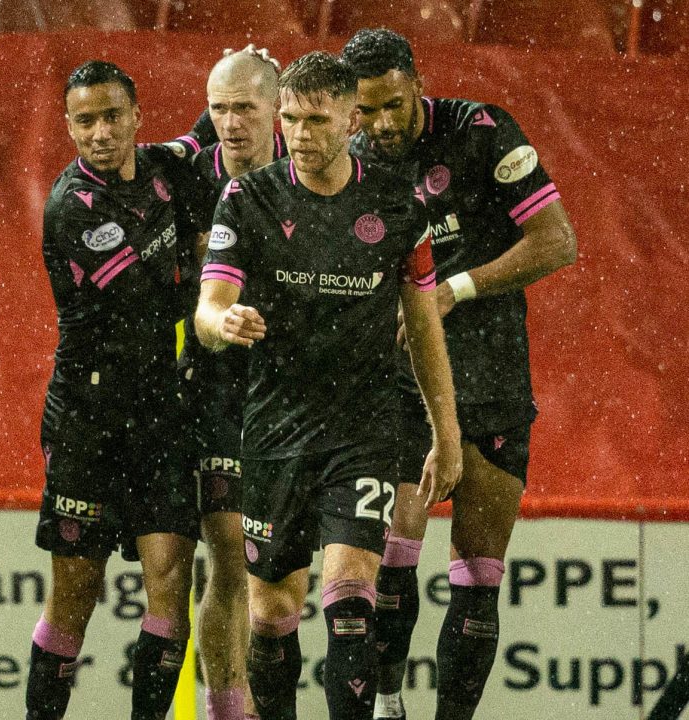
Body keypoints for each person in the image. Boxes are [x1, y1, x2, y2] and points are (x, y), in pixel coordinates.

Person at [194, 51, 462, 720]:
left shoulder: (396, 205)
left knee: (349, 601)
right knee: (272, 615)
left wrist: (444, 433)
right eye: (289, 119)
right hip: (273, 432)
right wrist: (221, 320)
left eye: (316, 120)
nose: (300, 135)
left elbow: (423, 327)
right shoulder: (248, 197)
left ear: (350, 118)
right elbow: (207, 309)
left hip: (361, 431)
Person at [341, 28, 578, 720]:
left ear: (417, 83)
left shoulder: (480, 132)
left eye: (392, 104)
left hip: (491, 372)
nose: (382, 124)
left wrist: (455, 289)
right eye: (368, 110)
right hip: (401, 384)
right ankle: (388, 704)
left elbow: (556, 241)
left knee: (477, 581)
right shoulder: (353, 161)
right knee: (390, 563)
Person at [25, 59, 210, 720]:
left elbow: (212, 129)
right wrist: (215, 257)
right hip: (86, 416)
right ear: (69, 127)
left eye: (111, 117)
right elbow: (158, 292)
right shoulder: (71, 208)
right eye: (84, 121)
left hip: (160, 412)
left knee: (169, 577)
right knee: (75, 593)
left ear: (135, 115)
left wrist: (237, 83)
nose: (99, 132)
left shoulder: (162, 165)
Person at [178, 47, 285, 720]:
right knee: (227, 558)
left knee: (283, 581)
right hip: (218, 387)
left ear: (277, 109)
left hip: (299, 391)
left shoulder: (318, 171)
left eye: (246, 108)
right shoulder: (186, 176)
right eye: (219, 109)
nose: (231, 123)